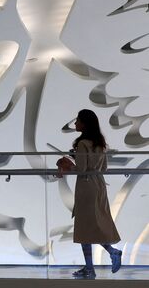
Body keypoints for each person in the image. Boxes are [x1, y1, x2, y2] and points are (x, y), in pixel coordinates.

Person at [59, 109, 122, 279]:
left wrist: (67, 163)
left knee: (84, 226)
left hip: (86, 187)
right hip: (99, 184)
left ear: (84, 123)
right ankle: (97, 262)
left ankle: (96, 263)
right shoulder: (100, 143)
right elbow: (103, 168)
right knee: (94, 225)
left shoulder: (82, 144)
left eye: (78, 120)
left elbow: (81, 170)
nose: (75, 124)